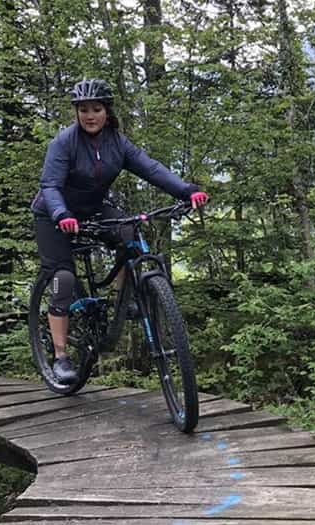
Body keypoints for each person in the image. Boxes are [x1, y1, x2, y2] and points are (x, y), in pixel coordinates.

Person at [30, 78, 209, 384]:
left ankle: (124, 301)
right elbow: (50, 186)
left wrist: (186, 191)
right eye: (83, 109)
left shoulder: (117, 143)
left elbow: (151, 169)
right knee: (63, 277)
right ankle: (61, 357)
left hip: (94, 208)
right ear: (76, 112)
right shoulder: (64, 142)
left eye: (96, 109)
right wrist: (61, 213)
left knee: (130, 234)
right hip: (53, 214)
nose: (90, 115)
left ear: (106, 111)